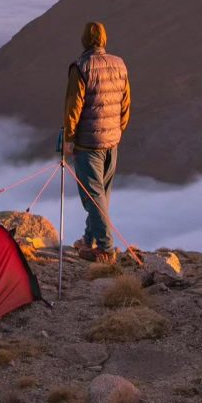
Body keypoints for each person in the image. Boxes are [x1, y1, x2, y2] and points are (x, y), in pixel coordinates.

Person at [63, 21, 130, 264]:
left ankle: (106, 249)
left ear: (84, 40)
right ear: (103, 39)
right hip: (112, 141)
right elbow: (125, 105)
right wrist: (117, 130)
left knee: (93, 196)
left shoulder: (81, 67)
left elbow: (74, 106)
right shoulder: (119, 64)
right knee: (101, 195)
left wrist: (69, 139)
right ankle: (89, 239)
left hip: (88, 143)